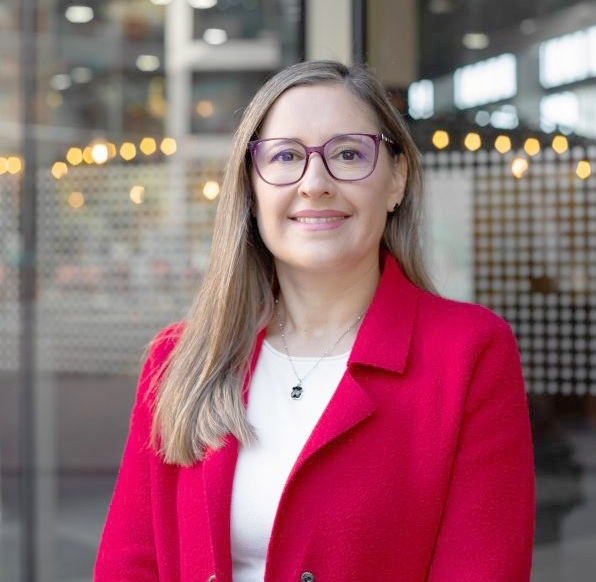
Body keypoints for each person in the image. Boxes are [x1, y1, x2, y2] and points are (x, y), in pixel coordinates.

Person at [94, 60, 535, 582]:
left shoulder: (469, 354)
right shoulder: (178, 360)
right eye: (285, 157)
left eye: (348, 153)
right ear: (251, 191)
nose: (315, 183)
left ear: (396, 180)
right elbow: (129, 566)